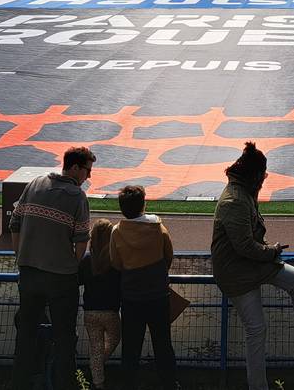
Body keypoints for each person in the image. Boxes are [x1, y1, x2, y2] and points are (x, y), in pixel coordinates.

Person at [211, 142, 294, 390]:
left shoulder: (243, 192)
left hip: (252, 264)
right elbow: (245, 247)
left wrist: (269, 251)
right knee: (256, 330)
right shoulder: (235, 201)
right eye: (263, 176)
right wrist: (272, 251)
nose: (264, 181)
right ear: (255, 176)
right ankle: (258, 387)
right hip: (237, 272)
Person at [9, 147, 95, 390]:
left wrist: (22, 256)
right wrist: (71, 263)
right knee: (65, 338)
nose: (88, 176)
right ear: (76, 168)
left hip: (29, 272)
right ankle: (64, 384)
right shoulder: (77, 196)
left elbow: (14, 224)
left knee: (25, 334)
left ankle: (20, 383)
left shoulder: (35, 183)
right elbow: (81, 239)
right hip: (61, 277)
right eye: (87, 170)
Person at [109, 185, 178, 389]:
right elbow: (168, 255)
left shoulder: (116, 231)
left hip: (131, 298)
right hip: (158, 296)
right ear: (143, 204)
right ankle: (169, 383)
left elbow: (115, 262)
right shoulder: (158, 228)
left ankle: (128, 383)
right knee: (163, 344)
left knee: (130, 346)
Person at [79, 220, 120, 390]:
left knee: (95, 347)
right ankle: (96, 366)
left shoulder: (87, 259)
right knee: (115, 339)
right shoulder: (114, 260)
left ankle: (98, 379)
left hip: (90, 312)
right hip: (110, 311)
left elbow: (78, 280)